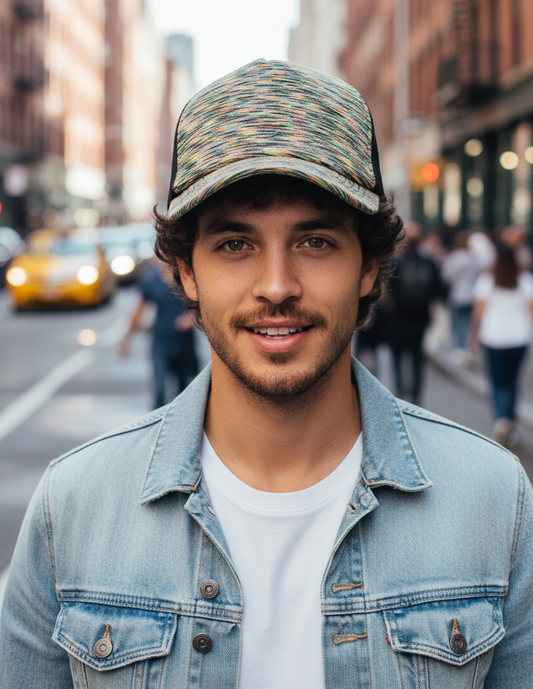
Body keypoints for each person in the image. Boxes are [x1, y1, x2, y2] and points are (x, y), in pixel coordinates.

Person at [1, 60, 532, 688]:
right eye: (234, 244)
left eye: (315, 242)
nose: (276, 287)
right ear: (187, 272)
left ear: (368, 265)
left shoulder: (495, 500)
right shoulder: (75, 507)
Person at [472, 243, 533, 448]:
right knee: (513, 383)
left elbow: (478, 311)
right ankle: (510, 422)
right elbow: (531, 312)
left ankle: (501, 421)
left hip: (493, 337)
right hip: (519, 338)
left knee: (497, 382)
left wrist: (474, 334)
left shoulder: (487, 280)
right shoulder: (525, 280)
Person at [119, 259, 198, 409]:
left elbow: (204, 305)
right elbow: (138, 310)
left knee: (186, 390)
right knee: (159, 388)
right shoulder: (152, 280)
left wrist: (191, 319)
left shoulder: (188, 276)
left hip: (185, 344)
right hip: (161, 343)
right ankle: (158, 428)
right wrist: (127, 338)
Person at [382, 222, 442, 404]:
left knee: (397, 356)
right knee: (417, 357)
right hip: (420, 318)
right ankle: (416, 396)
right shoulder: (428, 261)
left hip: (397, 318)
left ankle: (400, 393)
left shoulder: (395, 262)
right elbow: (437, 290)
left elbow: (385, 292)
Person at [441, 230, 483, 363]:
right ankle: (468, 349)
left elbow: (446, 276)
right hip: (472, 295)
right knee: (468, 324)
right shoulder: (474, 258)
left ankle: (460, 350)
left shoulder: (455, 257)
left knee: (457, 323)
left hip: (457, 295)